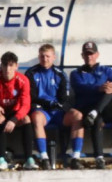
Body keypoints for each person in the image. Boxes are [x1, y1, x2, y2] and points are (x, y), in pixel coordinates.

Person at [65, 41, 112, 169]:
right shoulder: (76, 73)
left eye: (91, 54)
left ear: (97, 55)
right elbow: (80, 88)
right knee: (97, 120)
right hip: (86, 109)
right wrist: (98, 88)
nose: (89, 57)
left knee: (110, 90)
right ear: (82, 56)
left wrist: (106, 88)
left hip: (104, 108)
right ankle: (99, 158)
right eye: (86, 54)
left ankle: (96, 111)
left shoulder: (106, 70)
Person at [0, 51, 34, 171]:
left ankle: (29, 159)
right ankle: (1, 159)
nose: (7, 69)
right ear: (0, 66)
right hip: (0, 111)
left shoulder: (23, 80)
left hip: (15, 112)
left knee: (26, 119)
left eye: (11, 65)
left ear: (16, 66)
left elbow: (25, 104)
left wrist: (14, 119)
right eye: (5, 65)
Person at [25, 43, 70, 170]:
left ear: (54, 57)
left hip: (58, 111)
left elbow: (64, 97)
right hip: (42, 110)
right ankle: (44, 157)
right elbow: (31, 96)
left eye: (48, 56)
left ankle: (76, 157)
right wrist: (48, 103)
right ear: (38, 57)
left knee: (77, 116)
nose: (45, 59)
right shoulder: (31, 73)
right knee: (37, 118)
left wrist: (58, 105)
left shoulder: (60, 73)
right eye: (42, 56)